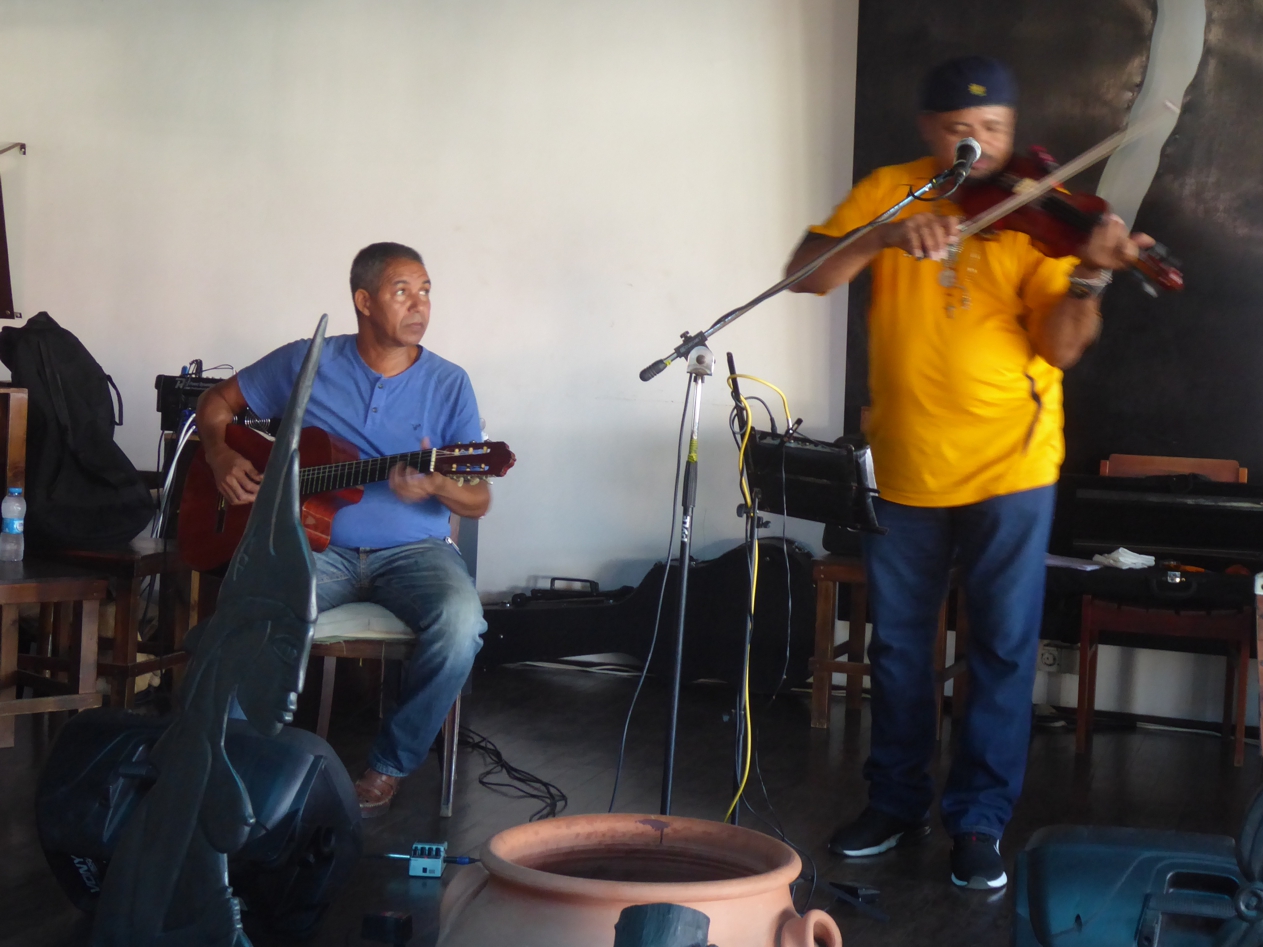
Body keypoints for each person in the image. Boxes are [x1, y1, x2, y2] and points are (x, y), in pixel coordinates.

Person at [785, 56, 1152, 888]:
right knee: (897, 649)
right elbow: (805, 274)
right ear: (928, 129)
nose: (979, 145)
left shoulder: (1037, 208)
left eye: (995, 130)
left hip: (1010, 467)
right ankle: (894, 802)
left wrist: (1091, 274)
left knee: (1001, 650)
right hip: (905, 468)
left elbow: (1060, 347)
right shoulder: (892, 189)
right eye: (961, 129)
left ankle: (979, 820)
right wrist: (883, 233)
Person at [196, 241, 489, 817]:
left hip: (415, 552)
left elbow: (478, 499)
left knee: (461, 626)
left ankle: (388, 766)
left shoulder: (450, 383)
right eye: (402, 291)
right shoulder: (307, 363)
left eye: (426, 291)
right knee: (245, 618)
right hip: (313, 548)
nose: (420, 305)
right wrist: (220, 455)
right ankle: (223, 763)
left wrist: (439, 486)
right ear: (364, 301)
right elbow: (214, 404)